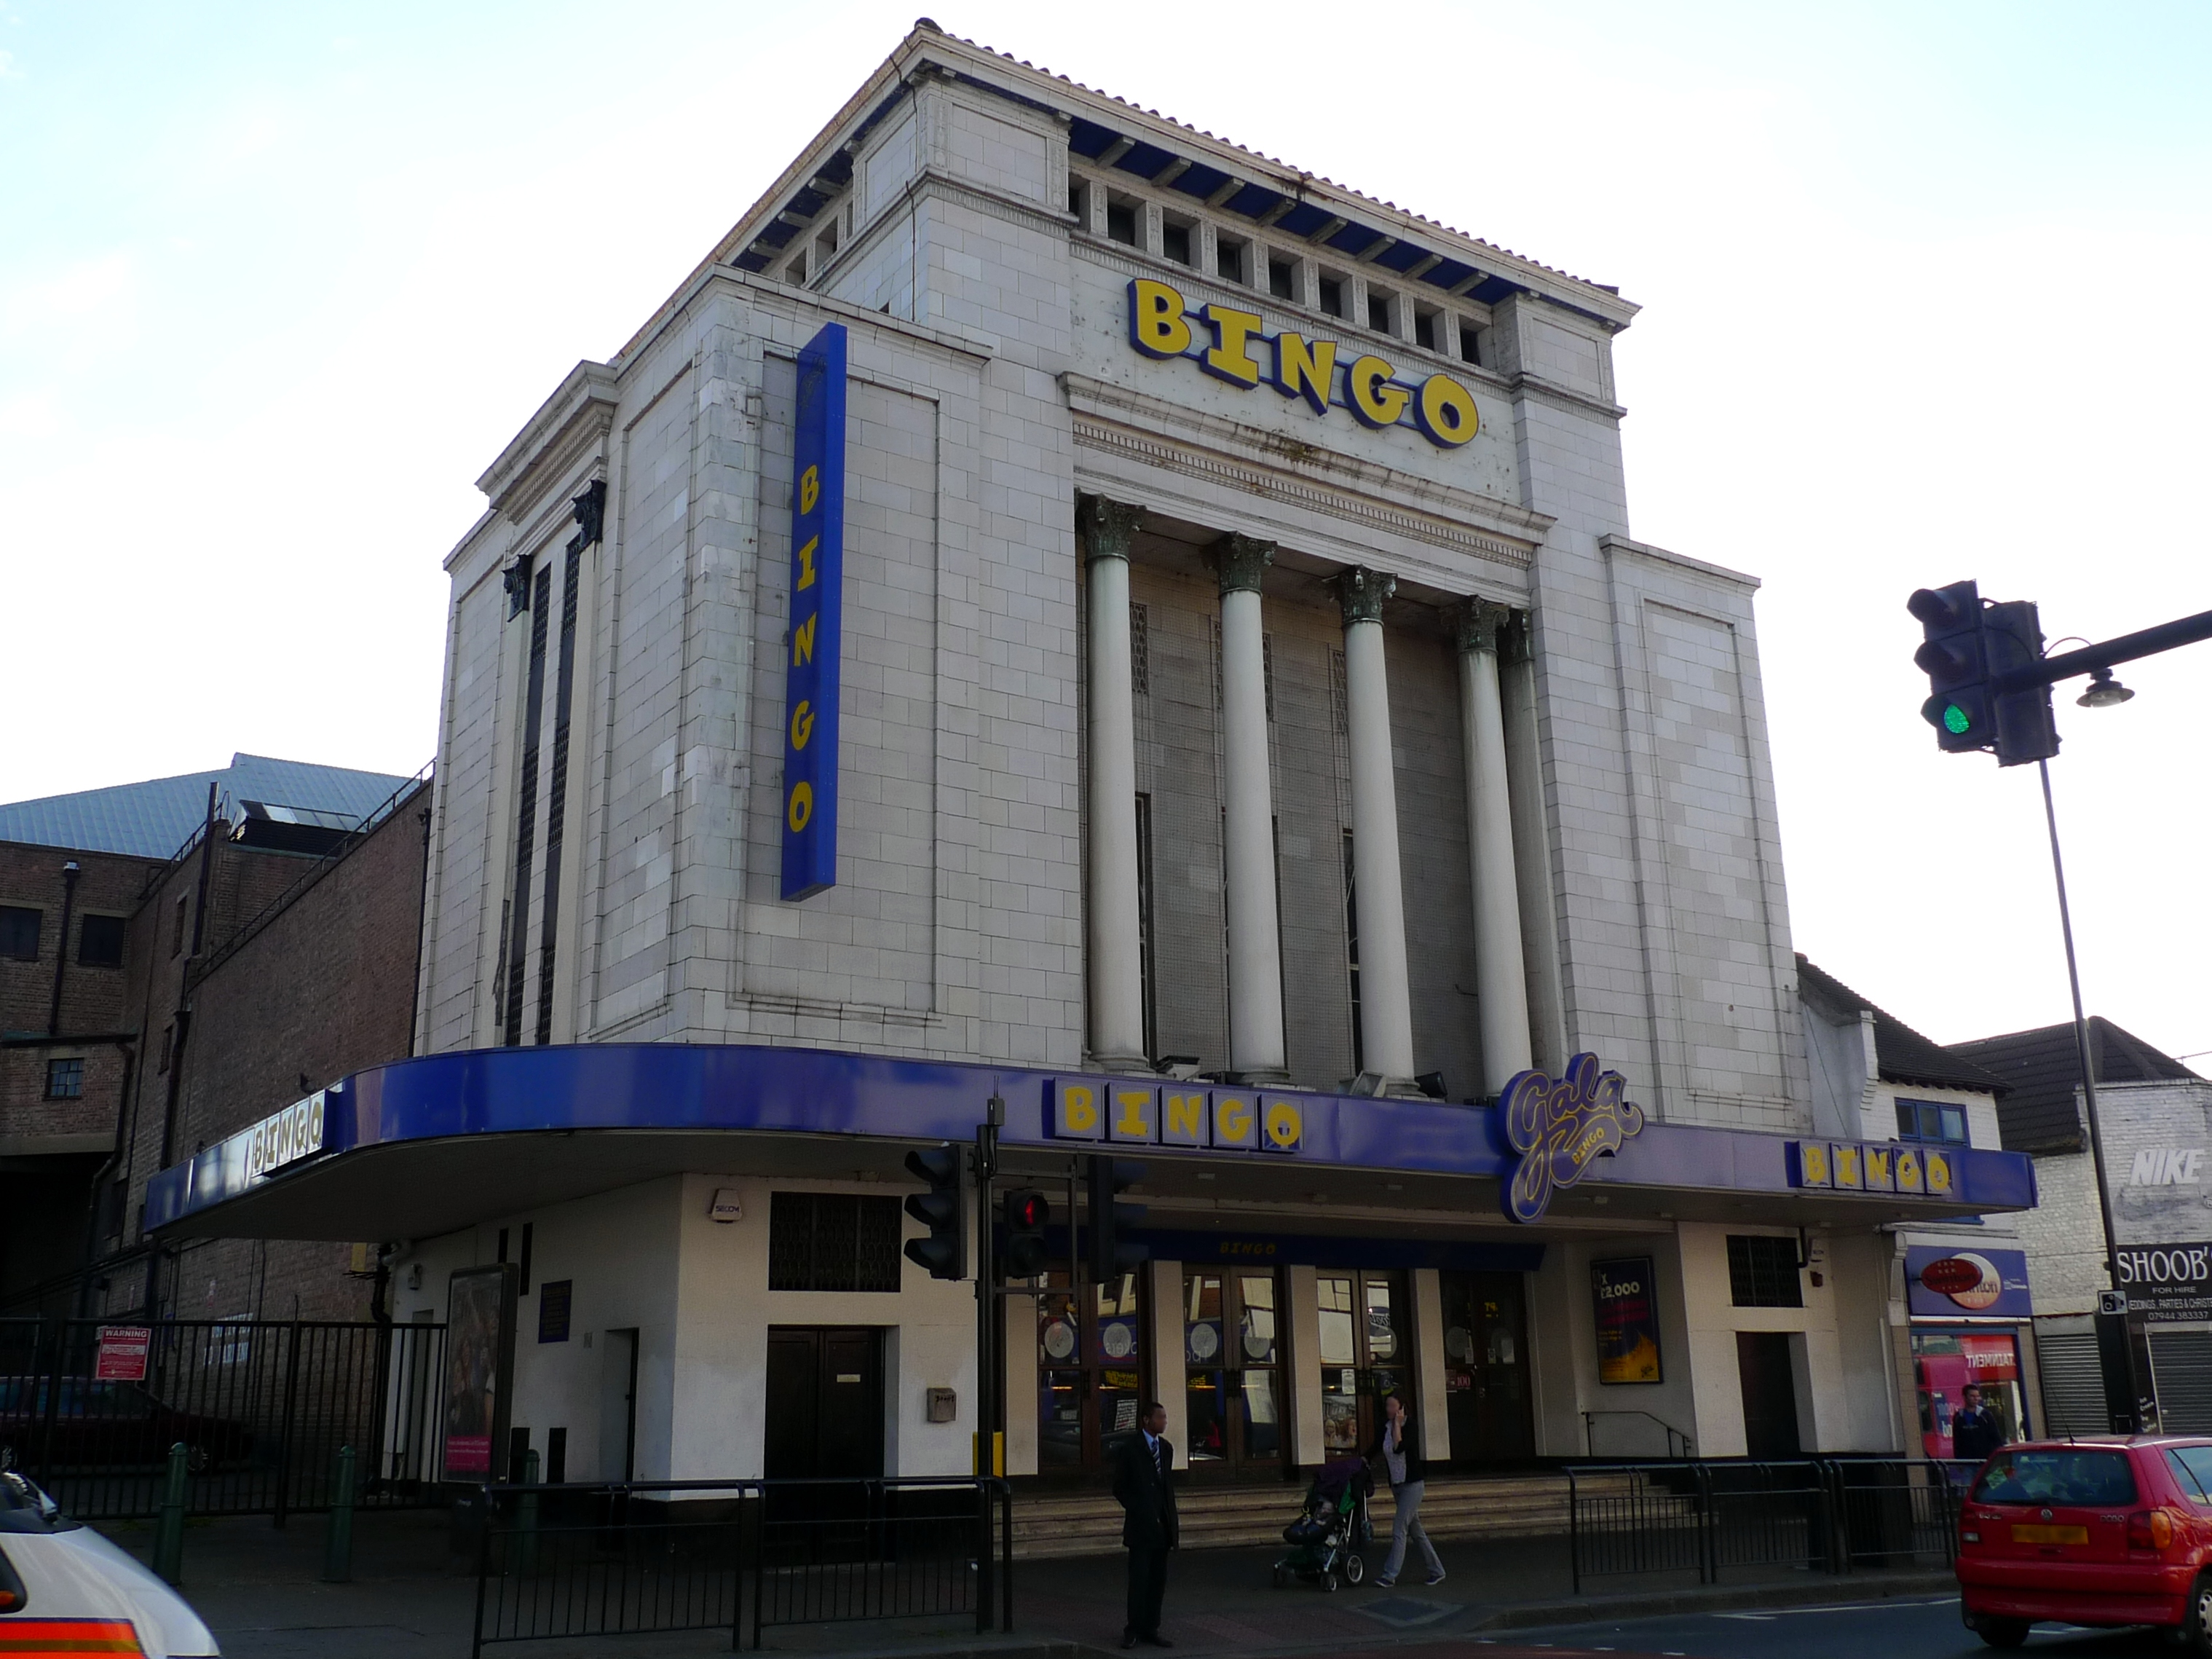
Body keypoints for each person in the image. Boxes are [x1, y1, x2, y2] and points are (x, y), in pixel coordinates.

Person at [1112, 1401, 1178, 1649]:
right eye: (1160, 1417)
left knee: (1158, 1580)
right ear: (1146, 1420)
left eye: (1165, 1417)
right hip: (1141, 1527)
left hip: (1163, 1526)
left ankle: (1152, 1627)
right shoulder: (1131, 1449)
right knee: (1139, 1579)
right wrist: (1138, 1507)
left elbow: (1166, 1486)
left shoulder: (1166, 1449)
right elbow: (1119, 1487)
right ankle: (1133, 1628)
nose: (1164, 1421)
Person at [1368, 1391, 1445, 1589]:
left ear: (1401, 1408)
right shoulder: (1383, 1427)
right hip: (1397, 1485)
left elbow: (1399, 1448)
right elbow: (1376, 1447)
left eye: (1393, 1407)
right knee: (1416, 1531)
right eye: (1387, 1406)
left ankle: (1389, 1575)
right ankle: (1437, 1570)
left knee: (1399, 1528)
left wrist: (1397, 1425)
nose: (1389, 1410)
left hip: (1413, 1485)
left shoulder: (1410, 1426)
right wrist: (1361, 1460)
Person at [1951, 1384, 2007, 1464]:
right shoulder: (1958, 1417)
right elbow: (1957, 1441)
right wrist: (1958, 1460)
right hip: (1968, 1462)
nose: (1976, 1399)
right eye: (1972, 1396)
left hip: (1986, 1461)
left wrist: (1998, 1458)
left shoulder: (1985, 1415)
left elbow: (1996, 1437)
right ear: (1964, 1397)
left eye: (1977, 1396)